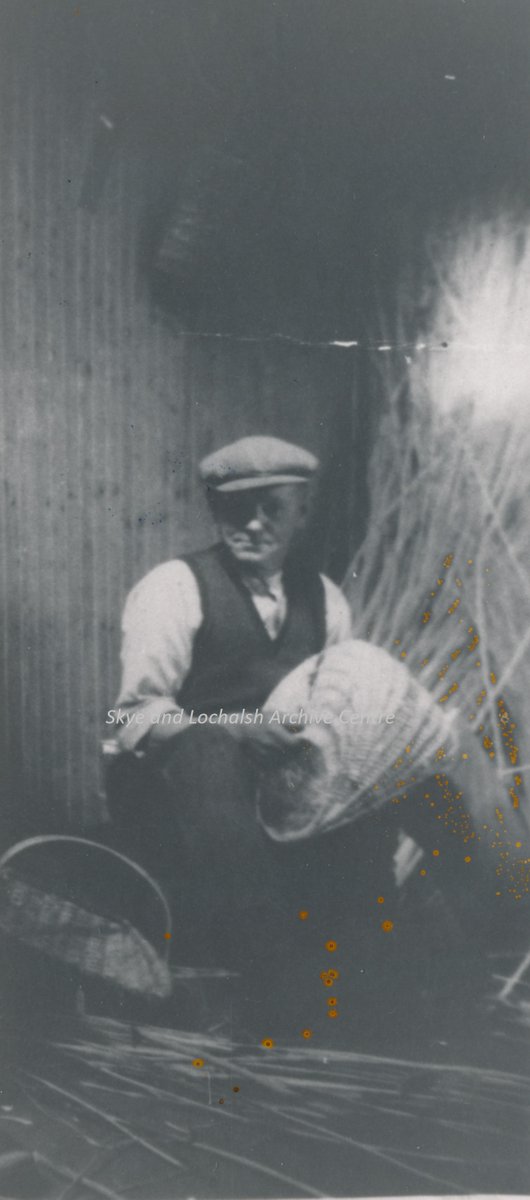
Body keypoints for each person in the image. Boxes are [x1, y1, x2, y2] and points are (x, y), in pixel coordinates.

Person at [107, 435, 353, 976]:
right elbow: (130, 717)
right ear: (216, 510)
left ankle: (362, 969)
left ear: (302, 512)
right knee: (208, 752)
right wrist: (237, 730)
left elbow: (332, 703)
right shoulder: (175, 587)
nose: (254, 524)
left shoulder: (326, 599)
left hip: (276, 787)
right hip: (179, 791)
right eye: (237, 509)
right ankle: (268, 964)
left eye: (273, 509)